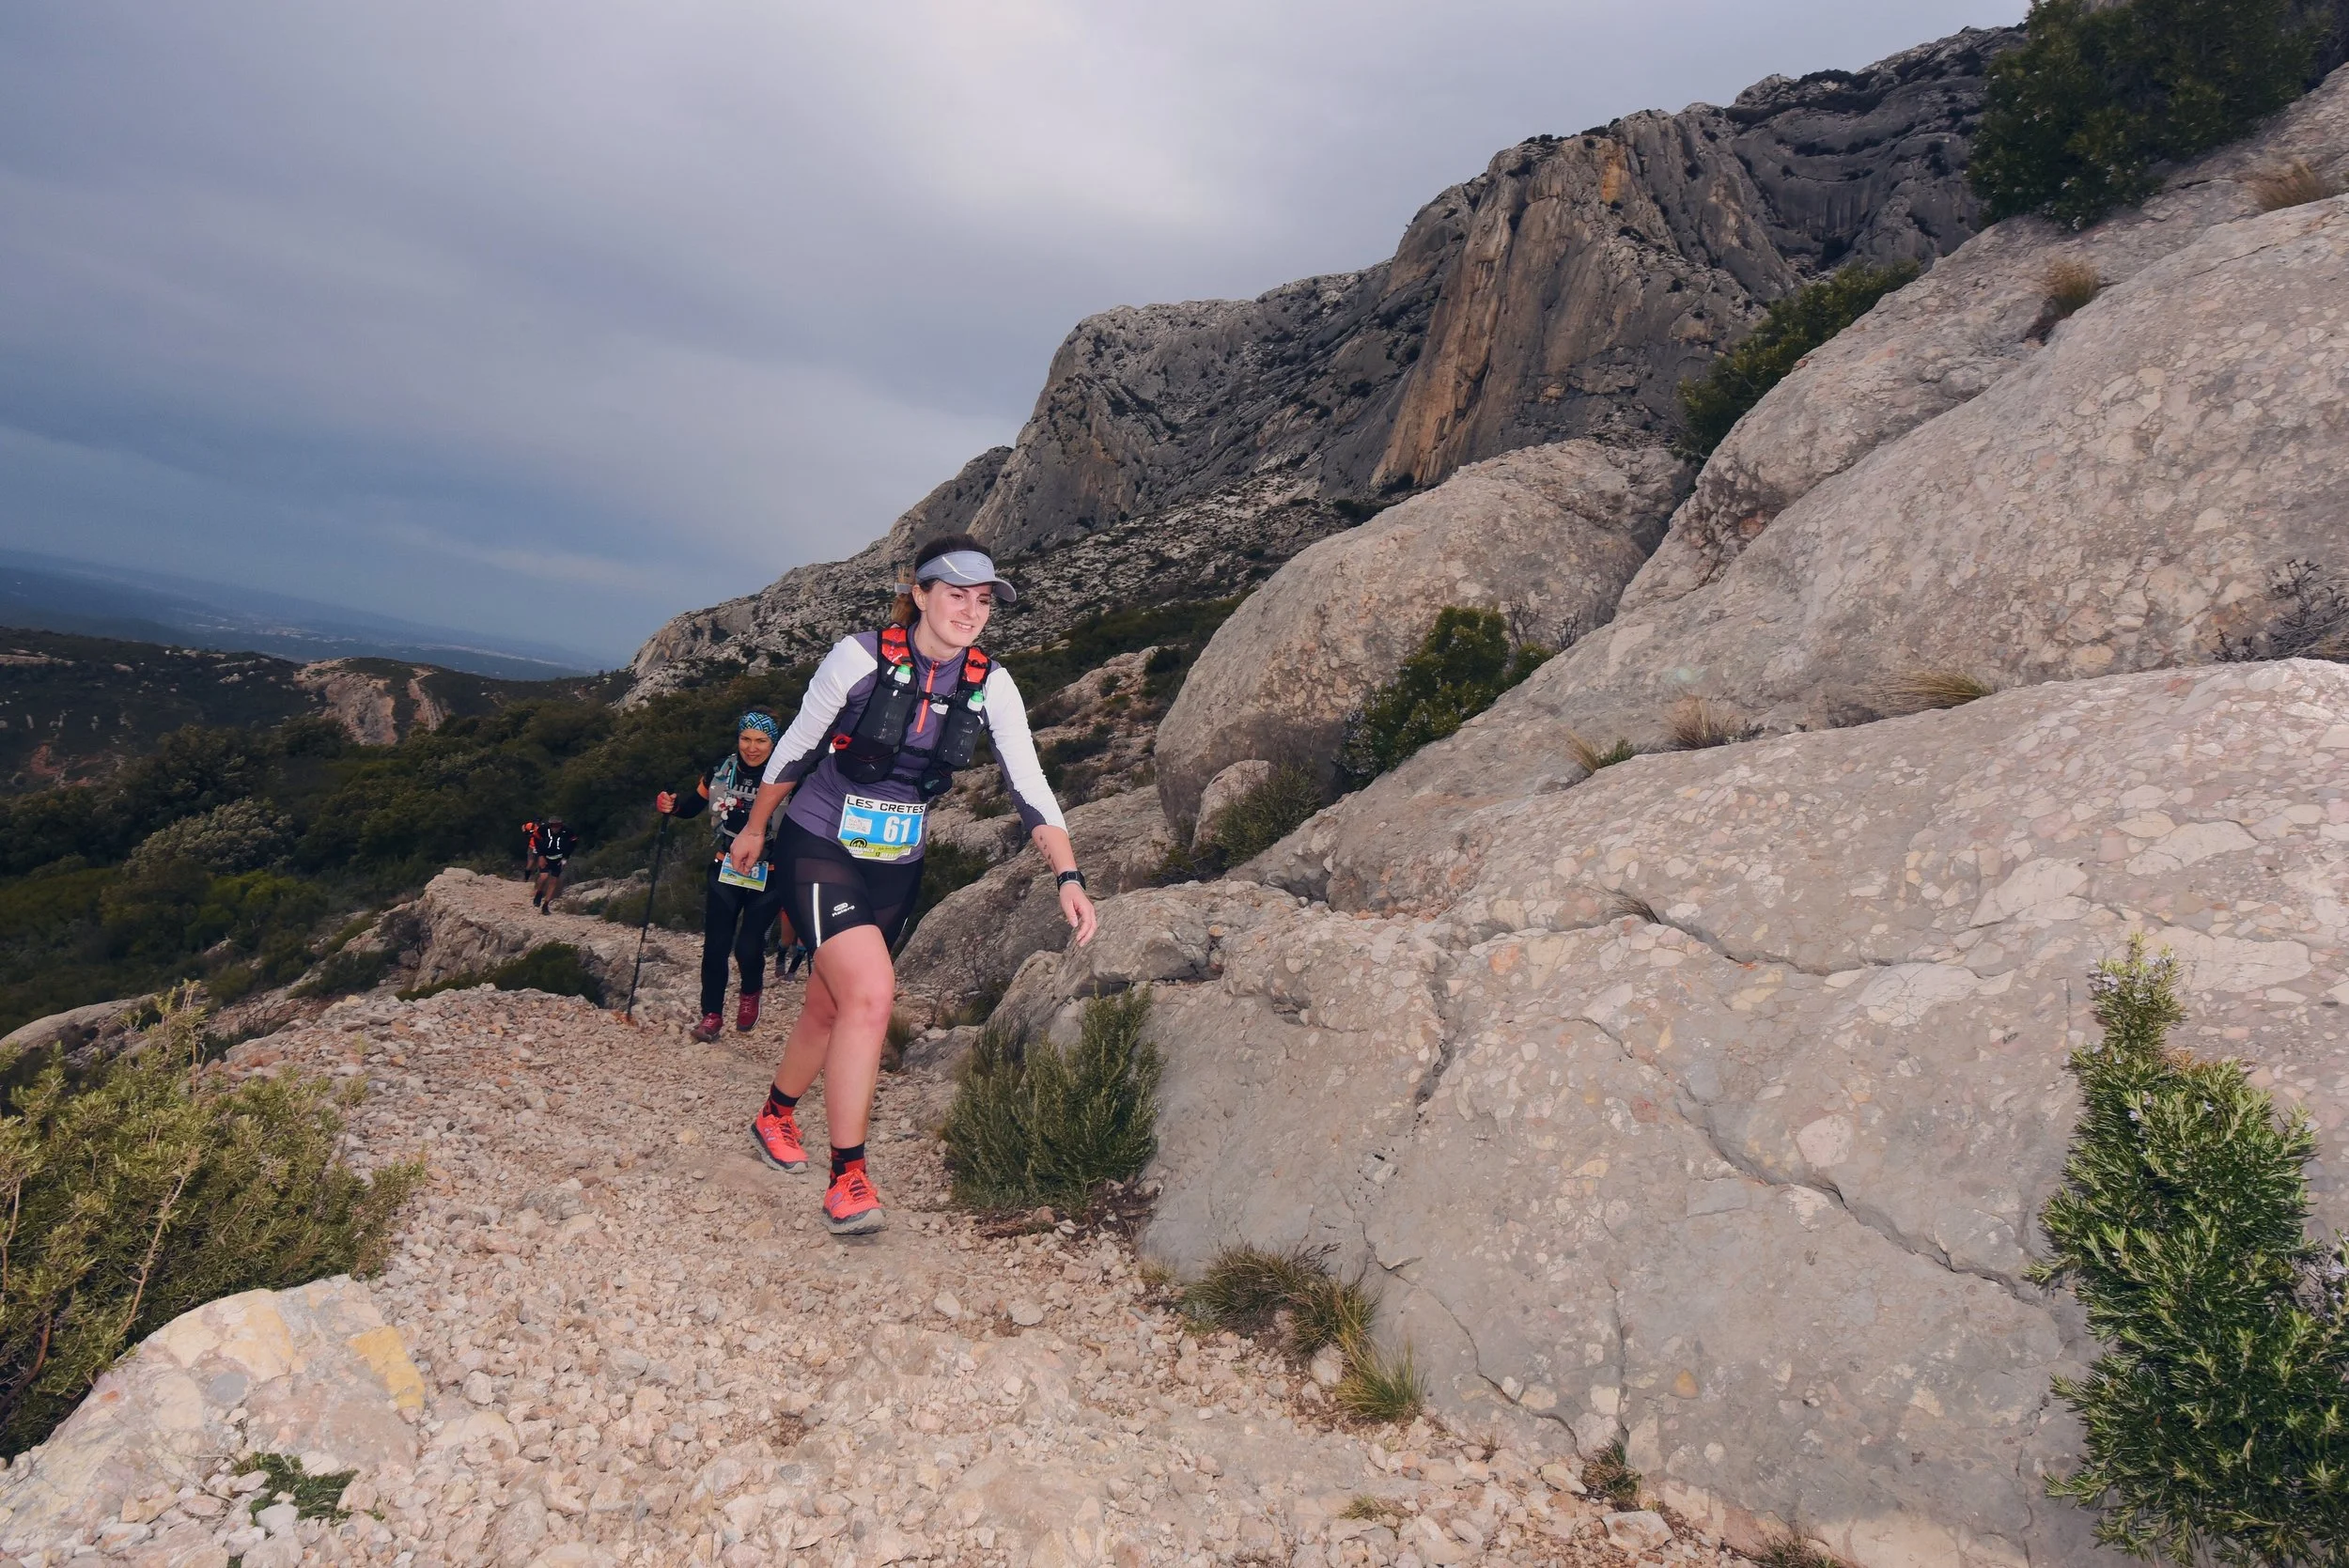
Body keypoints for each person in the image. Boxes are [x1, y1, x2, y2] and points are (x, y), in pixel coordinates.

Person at [727, 533, 1097, 1235]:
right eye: (956, 594)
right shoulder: (858, 658)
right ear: (919, 593)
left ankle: (775, 1115)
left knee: (831, 1005)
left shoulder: (992, 684)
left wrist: (1067, 874)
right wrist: (754, 827)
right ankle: (848, 1177)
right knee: (871, 992)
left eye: (983, 599)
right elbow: (797, 746)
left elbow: (1028, 782)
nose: (971, 610)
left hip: (896, 861)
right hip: (820, 839)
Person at [657, 709, 801, 1042]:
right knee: (715, 946)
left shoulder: (789, 776)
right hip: (726, 866)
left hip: (770, 872)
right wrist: (671, 806)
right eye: (745, 739)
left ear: (774, 743)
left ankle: (750, 992)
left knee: (748, 946)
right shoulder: (721, 771)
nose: (752, 748)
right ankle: (711, 1015)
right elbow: (691, 807)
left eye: (761, 741)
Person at [532, 816, 576, 912]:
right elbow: (536, 838)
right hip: (545, 856)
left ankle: (546, 905)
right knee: (543, 877)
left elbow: (573, 842)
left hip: (558, 858)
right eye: (553, 825)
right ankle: (539, 893)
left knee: (553, 881)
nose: (555, 828)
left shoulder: (567, 831)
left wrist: (565, 857)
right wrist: (540, 855)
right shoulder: (544, 829)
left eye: (558, 825)